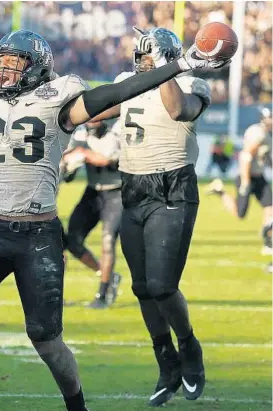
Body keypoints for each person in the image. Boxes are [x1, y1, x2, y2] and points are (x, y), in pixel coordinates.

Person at [0, 7, 229, 410]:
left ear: (36, 69)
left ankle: (76, 404)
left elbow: (113, 94)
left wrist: (181, 64)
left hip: (38, 239)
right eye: (2, 65)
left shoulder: (58, 100)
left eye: (16, 66)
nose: (5, 73)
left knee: (47, 343)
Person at [91, 27, 220, 405]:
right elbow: (97, 109)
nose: (142, 61)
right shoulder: (128, 81)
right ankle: (166, 362)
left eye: (150, 56)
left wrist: (166, 67)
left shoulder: (190, 83)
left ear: (166, 56)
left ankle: (189, 346)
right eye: (141, 55)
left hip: (172, 187)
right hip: (132, 188)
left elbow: (179, 109)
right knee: (142, 287)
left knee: (163, 285)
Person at [60, 119, 123, 309]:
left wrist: (84, 153)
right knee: (72, 241)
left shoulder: (118, 129)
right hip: (93, 191)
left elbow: (108, 159)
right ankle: (109, 276)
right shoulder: (81, 133)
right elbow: (67, 173)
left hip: (117, 192)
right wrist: (69, 165)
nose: (92, 121)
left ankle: (103, 295)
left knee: (108, 240)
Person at [207, 107, 272, 272]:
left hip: (258, 176)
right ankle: (220, 190)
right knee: (240, 213)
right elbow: (246, 156)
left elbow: (264, 157)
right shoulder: (258, 133)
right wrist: (245, 180)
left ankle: (268, 242)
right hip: (248, 176)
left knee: (270, 206)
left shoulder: (267, 134)